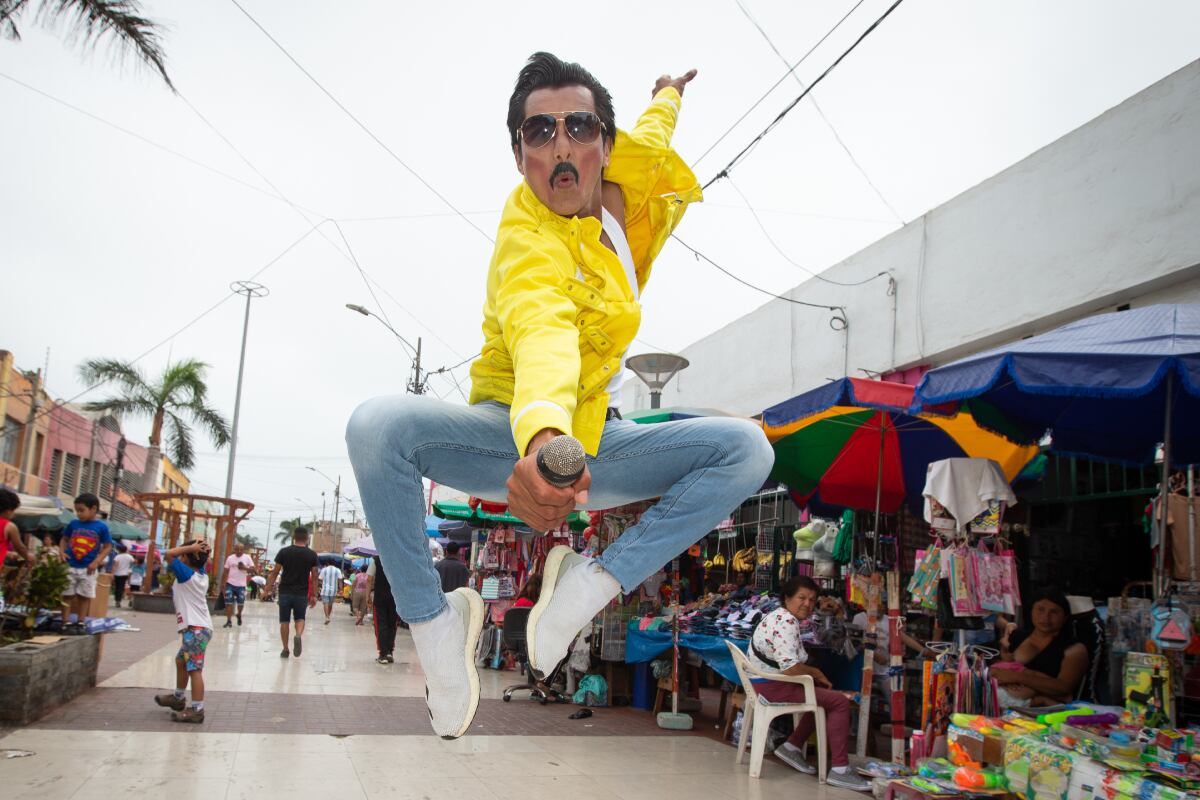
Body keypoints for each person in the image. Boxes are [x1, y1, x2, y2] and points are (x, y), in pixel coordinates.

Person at [346, 53, 773, 740]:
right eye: (539, 133)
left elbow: (653, 134)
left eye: (579, 126)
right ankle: (435, 627)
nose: (561, 145)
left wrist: (667, 94)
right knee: (375, 427)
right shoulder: (527, 234)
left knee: (747, 449)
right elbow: (540, 325)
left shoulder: (634, 180)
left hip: (601, 437)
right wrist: (546, 441)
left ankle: (586, 585)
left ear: (605, 140)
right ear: (521, 158)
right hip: (510, 435)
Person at [748, 576, 871, 792]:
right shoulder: (786, 622)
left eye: (812, 600)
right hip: (773, 686)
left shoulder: (779, 616)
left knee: (823, 696)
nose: (807, 604)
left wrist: (815, 676)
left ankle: (792, 746)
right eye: (801, 598)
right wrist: (816, 672)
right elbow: (790, 668)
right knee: (840, 702)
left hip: (766, 683)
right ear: (787, 598)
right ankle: (840, 769)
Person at [993, 587, 1088, 707]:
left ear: (1065, 617)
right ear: (1031, 611)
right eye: (1040, 610)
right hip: (1010, 706)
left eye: (1054, 612)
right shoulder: (1016, 637)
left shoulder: (1075, 649)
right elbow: (999, 670)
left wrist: (1016, 677)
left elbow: (1063, 688)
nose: (1046, 617)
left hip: (1049, 711)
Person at [154, 537, 213, 723]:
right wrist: (198, 549)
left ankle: (197, 710)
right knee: (181, 661)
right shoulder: (201, 574)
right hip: (198, 628)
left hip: (196, 629)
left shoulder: (186, 574)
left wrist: (191, 548)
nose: (181, 557)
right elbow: (196, 559)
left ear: (187, 558)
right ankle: (178, 698)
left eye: (184, 554)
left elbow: (169, 554)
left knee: (194, 669)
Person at [58, 493, 112, 634]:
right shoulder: (73, 524)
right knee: (66, 595)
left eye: (82, 510)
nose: (79, 514)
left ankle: (81, 622)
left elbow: (107, 546)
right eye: (77, 511)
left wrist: (96, 561)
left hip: (89, 568)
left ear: (93, 509)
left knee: (84, 596)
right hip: (70, 565)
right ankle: (65, 622)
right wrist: (62, 552)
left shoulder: (102, 527)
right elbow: (64, 539)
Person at [263, 527, 319, 658]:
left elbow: (275, 572)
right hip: (301, 593)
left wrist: (267, 589)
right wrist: (314, 595)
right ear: (307, 538)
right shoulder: (311, 554)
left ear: (294, 537)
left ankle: (285, 649)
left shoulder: (284, 552)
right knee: (300, 618)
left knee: (284, 621)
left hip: (285, 592)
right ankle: (298, 634)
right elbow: (315, 576)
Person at [0, 489, 33, 613]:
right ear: (8, 510)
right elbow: (20, 547)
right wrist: (29, 557)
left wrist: (7, 553)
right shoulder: (9, 526)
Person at [367, 556, 399, 664]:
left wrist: (367, 596)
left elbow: (369, 579)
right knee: (392, 624)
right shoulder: (398, 559)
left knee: (381, 624)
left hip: (380, 598)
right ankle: (389, 652)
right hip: (395, 598)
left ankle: (383, 654)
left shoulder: (376, 560)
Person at [220, 542, 256, 628]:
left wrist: (244, 568)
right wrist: (223, 584)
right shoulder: (230, 558)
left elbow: (253, 570)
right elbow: (225, 571)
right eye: (237, 549)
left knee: (241, 602)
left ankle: (239, 614)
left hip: (241, 585)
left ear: (243, 550)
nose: (239, 551)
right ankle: (229, 621)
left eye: (241, 549)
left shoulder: (247, 558)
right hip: (230, 584)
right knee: (229, 602)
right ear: (234, 549)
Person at [110, 543, 135, 608]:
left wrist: (112, 574)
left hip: (117, 574)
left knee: (117, 587)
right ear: (126, 550)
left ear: (120, 550)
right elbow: (133, 562)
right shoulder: (129, 556)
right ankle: (118, 601)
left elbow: (114, 566)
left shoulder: (117, 556)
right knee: (121, 587)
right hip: (125, 574)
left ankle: (117, 601)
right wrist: (129, 567)